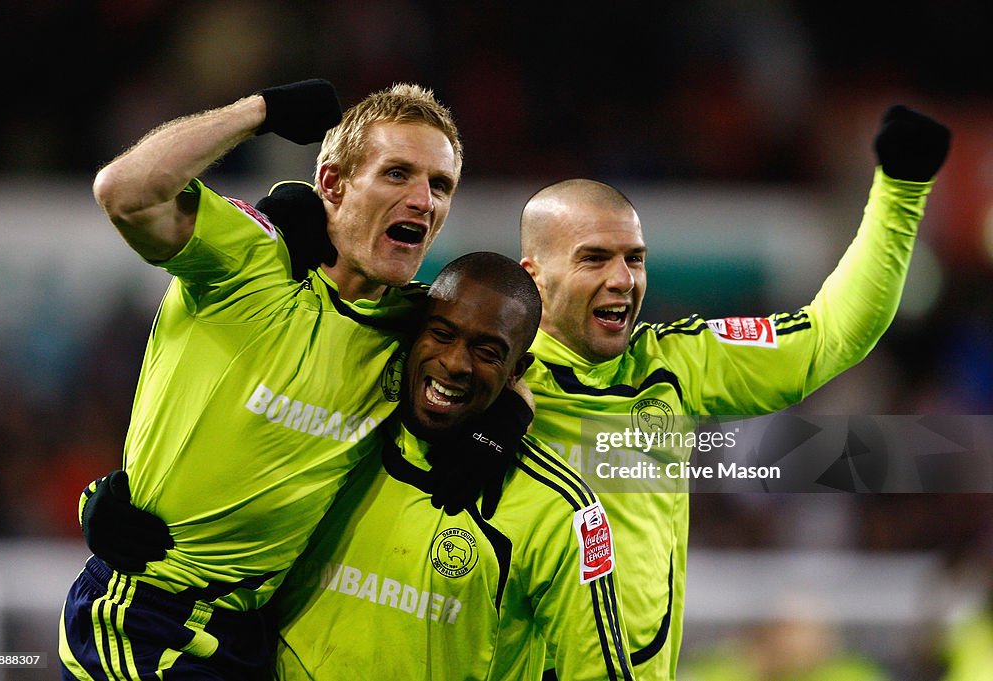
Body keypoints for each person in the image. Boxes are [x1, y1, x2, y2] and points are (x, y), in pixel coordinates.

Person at [59, 79, 531, 680]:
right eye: (396, 174)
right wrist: (259, 112)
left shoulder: (414, 327)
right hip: (148, 612)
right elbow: (124, 192)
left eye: (440, 185)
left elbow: (515, 361)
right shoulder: (252, 259)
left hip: (253, 631)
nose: (423, 199)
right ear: (332, 184)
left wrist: (506, 424)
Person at [516, 104, 950, 679]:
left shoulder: (674, 363)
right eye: (594, 258)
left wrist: (899, 195)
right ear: (534, 276)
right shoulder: (483, 374)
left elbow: (828, 336)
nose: (622, 279)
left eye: (634, 259)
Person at [271, 252, 633, 680]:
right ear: (414, 333)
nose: (456, 363)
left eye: (487, 351)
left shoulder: (557, 510)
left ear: (517, 370)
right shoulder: (335, 440)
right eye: (442, 334)